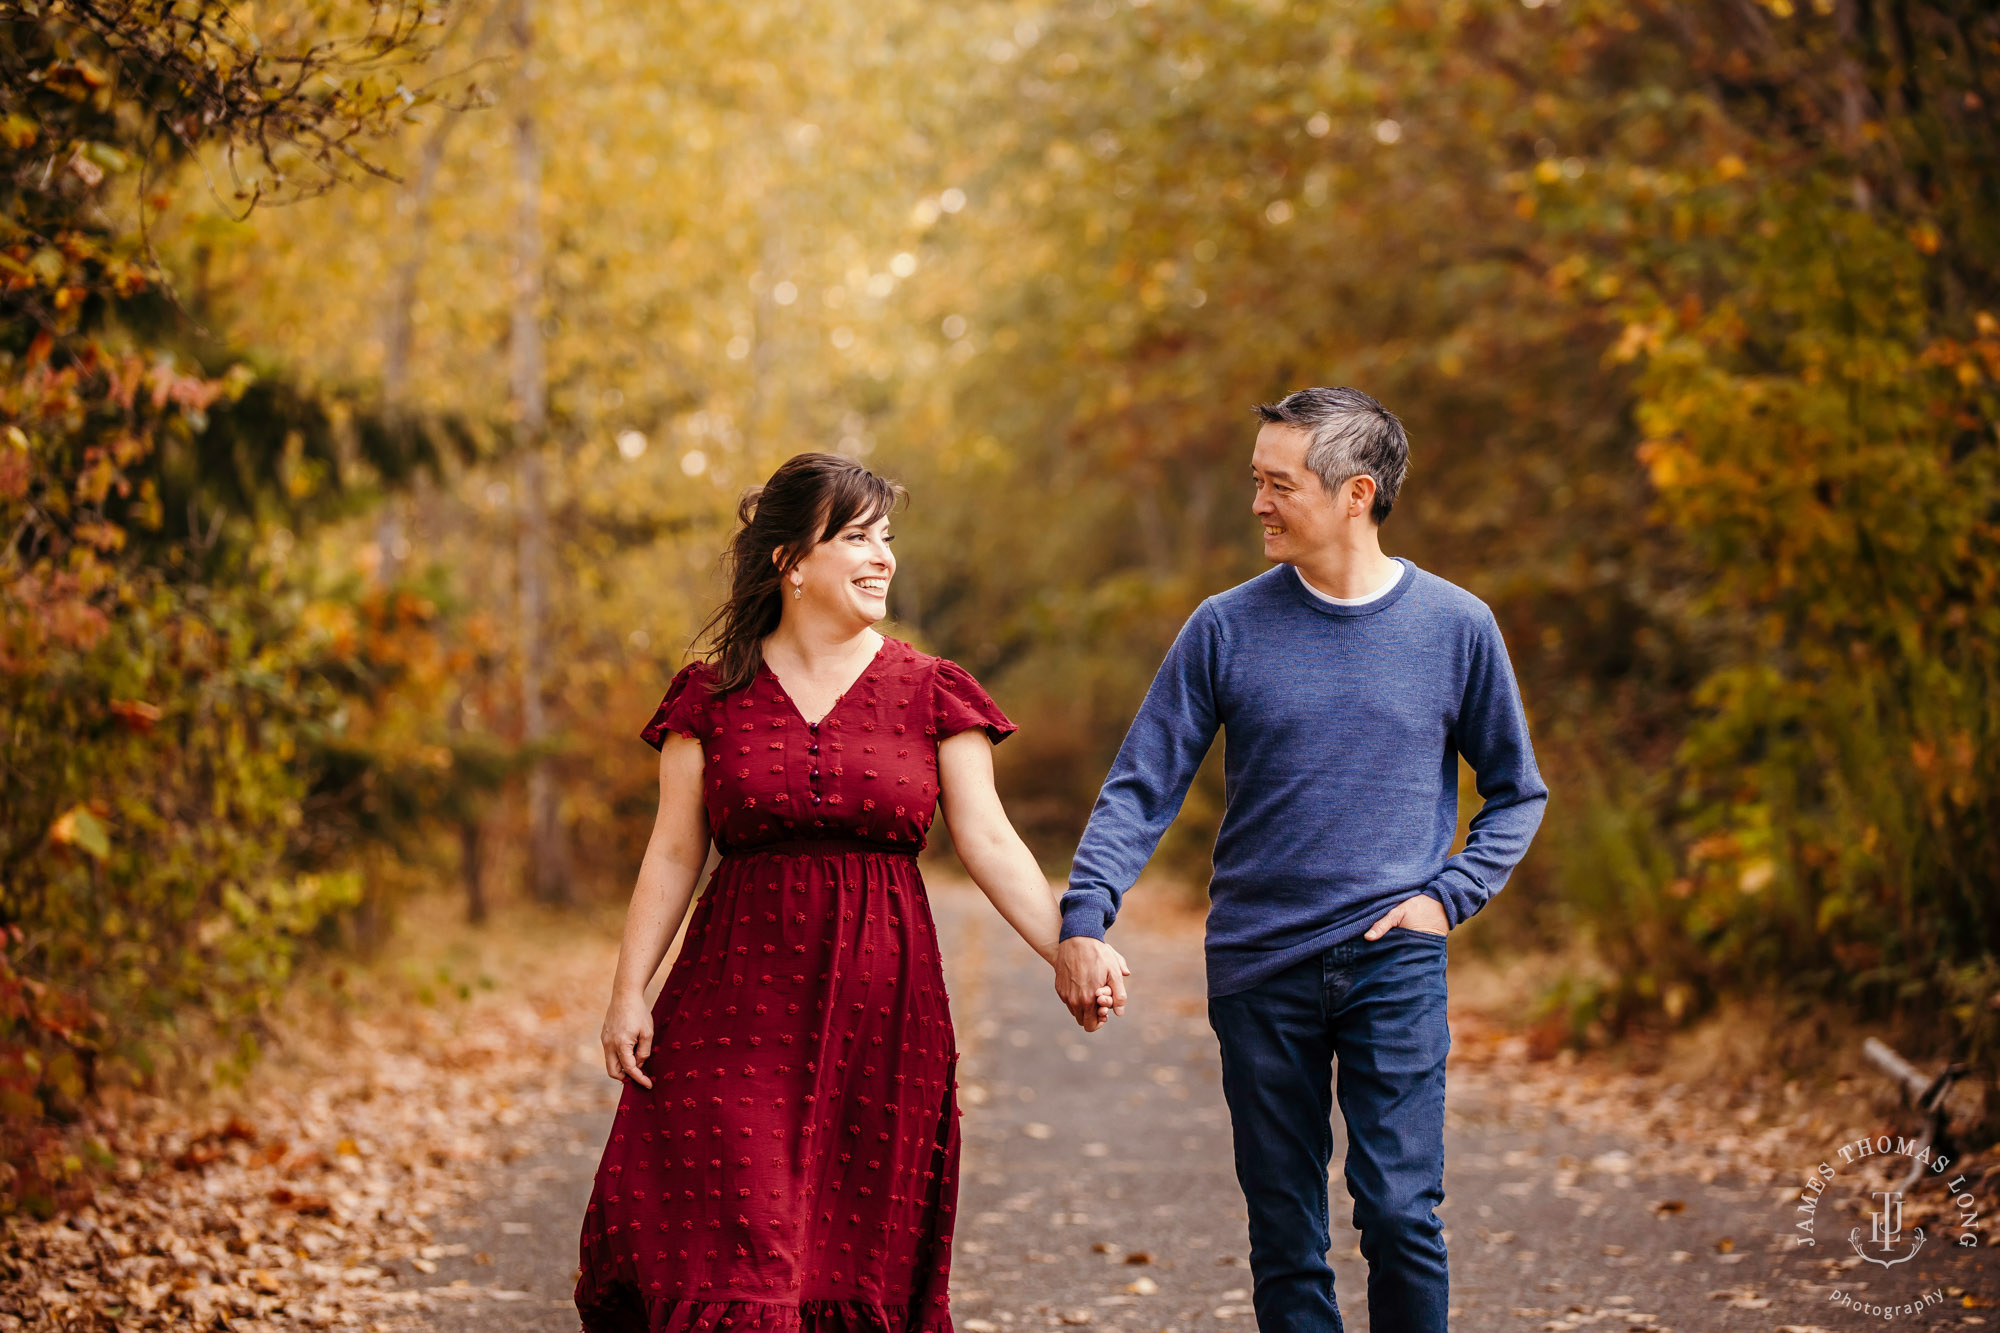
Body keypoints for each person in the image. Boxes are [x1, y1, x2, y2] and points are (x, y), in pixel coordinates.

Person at [574, 452, 1124, 1333]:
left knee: (845, 1256)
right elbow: (673, 853)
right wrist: (627, 991)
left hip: (884, 1018)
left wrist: (1071, 943)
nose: (883, 558)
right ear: (792, 560)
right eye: (858, 537)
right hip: (731, 1006)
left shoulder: (932, 689)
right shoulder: (711, 695)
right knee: (736, 1248)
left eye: (887, 538)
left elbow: (988, 839)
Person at [1053, 388, 1549, 1333]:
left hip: (1393, 955)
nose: (1258, 504)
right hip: (1257, 963)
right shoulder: (1224, 626)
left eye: (1278, 484)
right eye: (1255, 480)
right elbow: (1140, 785)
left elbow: (1517, 790)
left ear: (1356, 493)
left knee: (1402, 1214)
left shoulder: (1455, 626)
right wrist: (1086, 915)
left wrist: (1447, 899)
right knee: (1286, 1233)